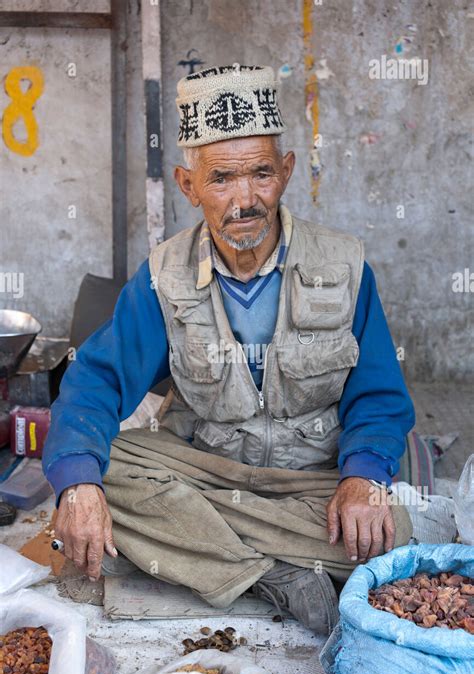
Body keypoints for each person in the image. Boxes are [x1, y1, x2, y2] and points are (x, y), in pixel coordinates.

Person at [43, 64, 415, 635]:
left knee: (400, 525)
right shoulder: (161, 278)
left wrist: (362, 477)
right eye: (221, 180)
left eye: (261, 174)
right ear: (188, 186)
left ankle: (208, 552)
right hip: (206, 471)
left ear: (286, 173)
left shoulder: (344, 266)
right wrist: (79, 485)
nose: (245, 201)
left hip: (311, 479)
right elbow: (94, 383)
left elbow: (381, 396)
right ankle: (273, 574)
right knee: (97, 474)